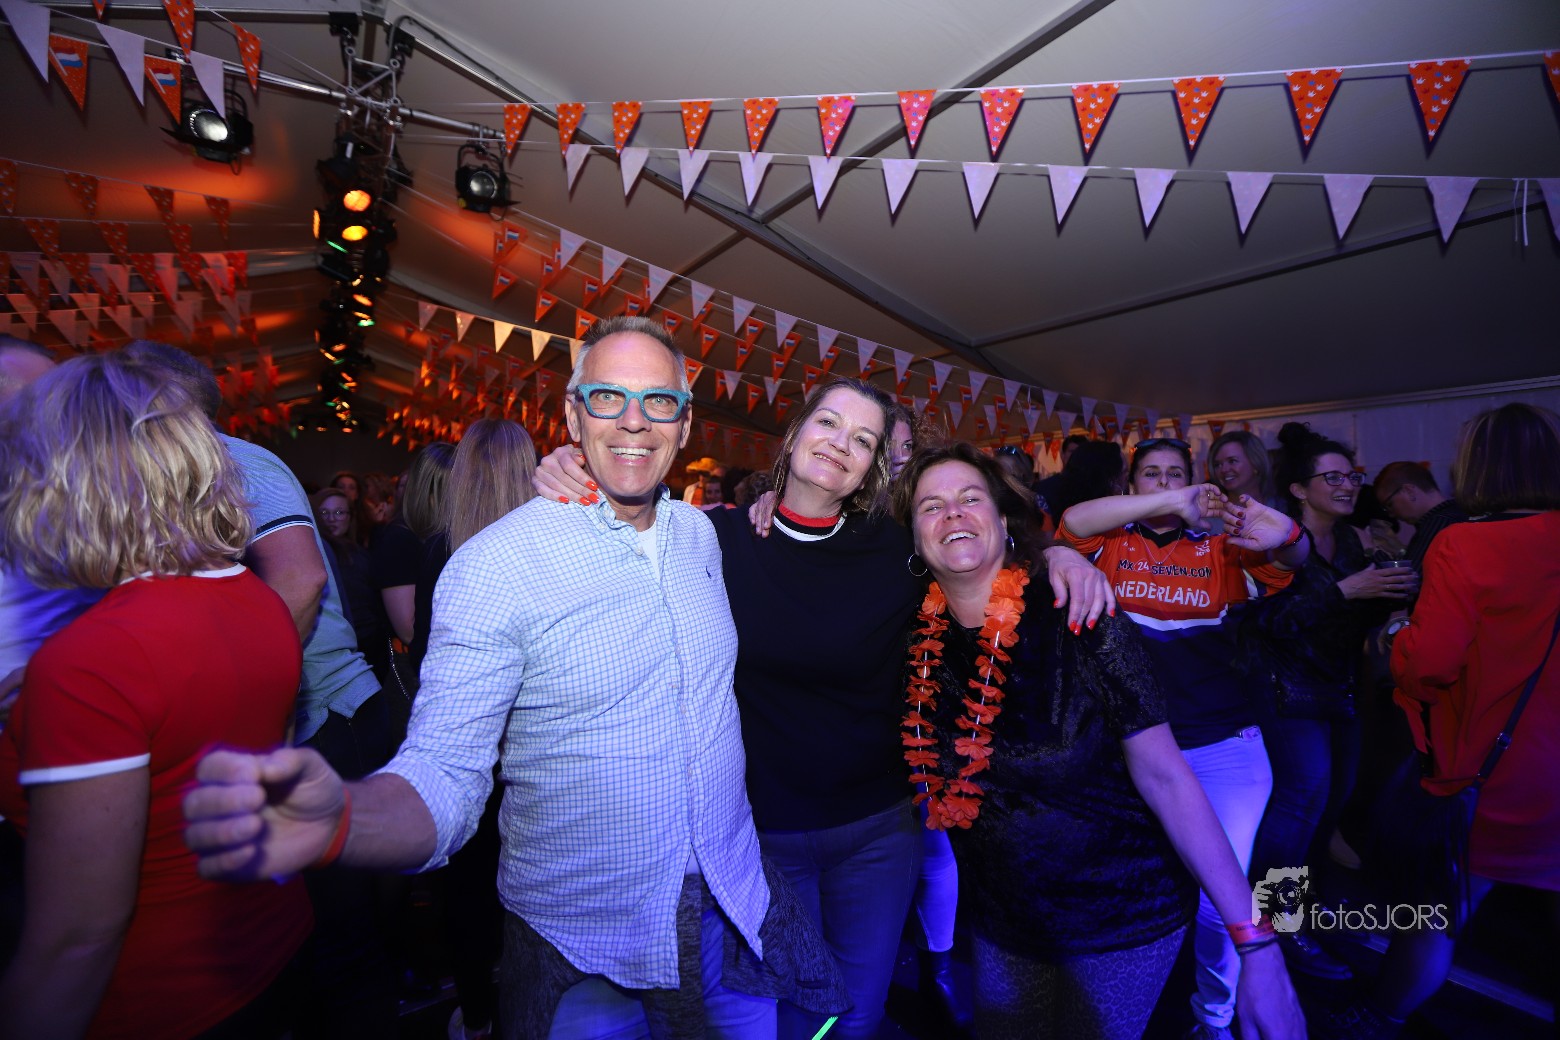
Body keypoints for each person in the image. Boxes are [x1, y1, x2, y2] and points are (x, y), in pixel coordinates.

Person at [185, 317, 847, 1039]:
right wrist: (345, 815)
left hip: (731, 909)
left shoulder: (703, 538)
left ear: (684, 424)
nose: (634, 420)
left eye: (658, 400)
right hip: (586, 944)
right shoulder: (495, 565)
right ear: (572, 414)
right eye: (608, 397)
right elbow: (444, 768)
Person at [535, 376, 1111, 1040]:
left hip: (878, 831)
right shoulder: (715, 538)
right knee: (793, 1013)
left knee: (857, 1016)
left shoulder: (898, 550)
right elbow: (615, 533)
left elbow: (981, 552)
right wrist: (570, 467)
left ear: (871, 467)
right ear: (795, 433)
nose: (841, 444)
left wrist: (1062, 556)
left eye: (862, 439)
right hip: (761, 834)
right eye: (829, 423)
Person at [896, 442, 1304, 1040]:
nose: (952, 513)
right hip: (1001, 921)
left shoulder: (1077, 611)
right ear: (913, 538)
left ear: (1004, 521)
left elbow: (1166, 775)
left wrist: (1257, 944)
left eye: (970, 498)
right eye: (931, 506)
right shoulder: (915, 641)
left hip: (1117, 916)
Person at [0, 353, 312, 1039]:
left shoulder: (93, 661)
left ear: (60, 481)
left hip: (155, 1001)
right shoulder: (252, 596)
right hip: (264, 951)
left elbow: (77, 939)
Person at [120, 339, 397, 1036]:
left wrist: (238, 702)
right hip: (295, 718)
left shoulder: (236, 460)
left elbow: (299, 579)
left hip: (323, 716)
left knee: (340, 932)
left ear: (160, 399)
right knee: (311, 925)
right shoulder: (166, 475)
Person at [1059, 437, 1311, 1040]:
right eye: (1152, 474)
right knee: (1116, 889)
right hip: (1126, 754)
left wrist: (1289, 532)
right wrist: (1171, 500)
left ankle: (1215, 1018)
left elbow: (1293, 561)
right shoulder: (1110, 543)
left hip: (1222, 746)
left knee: (1224, 902)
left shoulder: (1222, 547)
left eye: (1177, 474)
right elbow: (1071, 522)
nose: (1167, 483)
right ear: (1131, 485)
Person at [1326, 403, 1560, 1040]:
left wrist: (1397, 635)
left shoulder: (1466, 542)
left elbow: (1428, 666)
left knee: (1432, 918)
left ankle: (1381, 1015)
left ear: (1479, 465)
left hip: (1492, 770)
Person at [1245, 424, 1417, 981]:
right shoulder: (1274, 541)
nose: (1348, 486)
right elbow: (1263, 622)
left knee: (1332, 801)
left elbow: (1348, 618)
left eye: (1353, 476)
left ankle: (1305, 900)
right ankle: (1276, 924)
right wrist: (1346, 590)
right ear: (1299, 489)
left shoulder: (1350, 541)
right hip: (1284, 686)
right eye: (1334, 477)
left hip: (1338, 686)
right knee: (1302, 799)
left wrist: (1391, 596)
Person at [428, 419, 538, 1040]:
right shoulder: (545, 549)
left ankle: (476, 1017)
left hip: (469, 744)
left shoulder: (441, 554)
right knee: (521, 889)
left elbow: (424, 648)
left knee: (468, 886)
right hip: (529, 750)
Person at [311, 486, 389, 681]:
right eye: (324, 513)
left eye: (339, 512)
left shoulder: (357, 552)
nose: (332, 519)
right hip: (345, 648)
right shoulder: (317, 554)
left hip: (368, 646)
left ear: (350, 517)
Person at [1371, 461, 1469, 574]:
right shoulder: (1453, 515)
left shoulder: (1439, 523)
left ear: (1409, 491)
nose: (1391, 514)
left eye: (1389, 505)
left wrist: (1372, 550)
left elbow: (1409, 579)